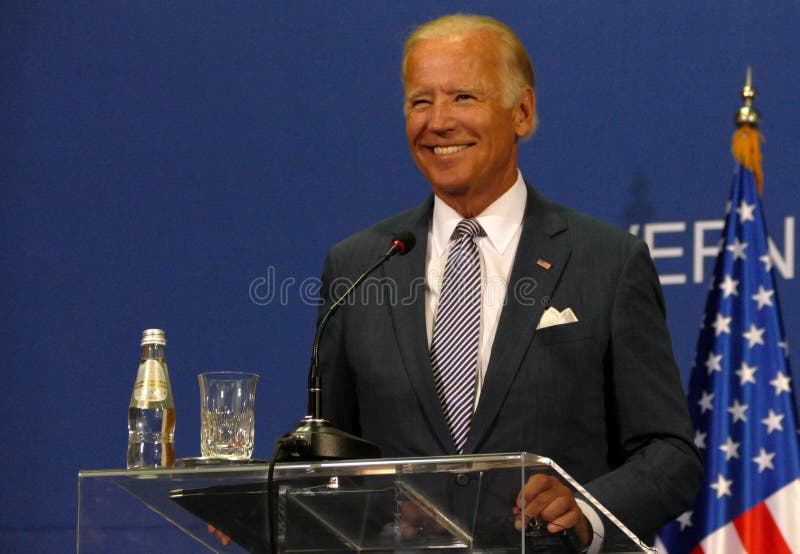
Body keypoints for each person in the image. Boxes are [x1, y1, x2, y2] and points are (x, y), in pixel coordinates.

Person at [317, 13, 703, 550]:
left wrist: (586, 510)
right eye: (419, 101)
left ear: (522, 112)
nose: (438, 122)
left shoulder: (608, 262)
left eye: (463, 98)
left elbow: (669, 453)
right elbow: (329, 458)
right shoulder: (359, 264)